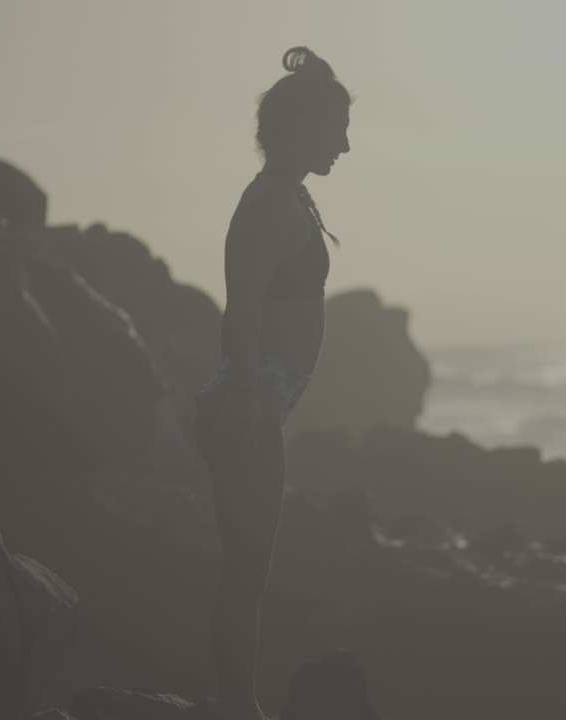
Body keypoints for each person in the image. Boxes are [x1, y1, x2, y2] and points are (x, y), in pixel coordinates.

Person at [193, 45, 351, 720]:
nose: (346, 145)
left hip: (260, 405)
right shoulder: (265, 203)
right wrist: (252, 398)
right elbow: (244, 306)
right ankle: (239, 708)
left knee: (251, 572)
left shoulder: (290, 194)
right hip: (249, 408)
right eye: (335, 128)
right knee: (246, 575)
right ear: (300, 128)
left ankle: (241, 705)